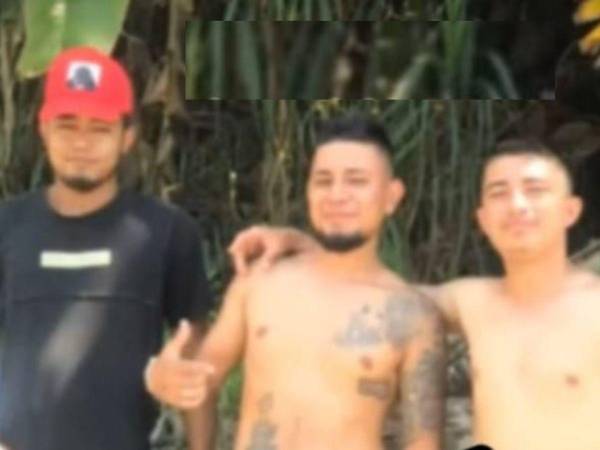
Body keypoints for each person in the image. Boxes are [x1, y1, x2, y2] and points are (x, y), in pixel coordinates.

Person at [228, 138, 600, 450]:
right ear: (484, 219)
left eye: (535, 190)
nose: (517, 206)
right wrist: (302, 244)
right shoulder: (471, 301)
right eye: (499, 193)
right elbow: (371, 295)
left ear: (570, 211)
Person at [145, 117, 447, 450]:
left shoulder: (413, 315)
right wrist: (168, 377)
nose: (337, 195)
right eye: (323, 181)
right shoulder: (261, 282)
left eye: (356, 181)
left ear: (391, 196)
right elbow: (203, 378)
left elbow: (423, 442)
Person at [0, 46, 213, 450]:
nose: (81, 143)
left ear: (127, 137)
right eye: (67, 126)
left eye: (99, 129)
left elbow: (194, 359)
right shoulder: (8, 227)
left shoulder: (165, 233)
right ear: (44, 129)